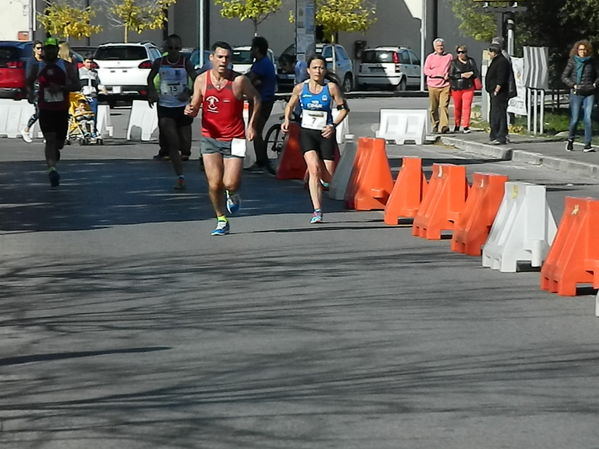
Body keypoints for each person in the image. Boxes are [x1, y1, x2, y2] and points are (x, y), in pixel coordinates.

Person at [185, 41, 261, 236]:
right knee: (213, 183)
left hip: (235, 137)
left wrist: (252, 125)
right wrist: (190, 110)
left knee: (230, 183)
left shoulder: (239, 81)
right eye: (220, 57)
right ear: (212, 58)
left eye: (227, 57)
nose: (223, 61)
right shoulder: (202, 80)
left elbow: (256, 98)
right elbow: (195, 105)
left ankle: (233, 194)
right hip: (210, 137)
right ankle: (221, 219)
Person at [281, 54, 349, 224]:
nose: (318, 71)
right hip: (307, 134)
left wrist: (332, 125)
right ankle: (317, 211)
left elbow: (344, 109)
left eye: (321, 68)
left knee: (327, 176)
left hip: (325, 134)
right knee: (313, 170)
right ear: (308, 70)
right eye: (315, 68)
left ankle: (323, 183)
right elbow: (290, 105)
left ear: (325, 70)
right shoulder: (300, 88)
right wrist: (287, 119)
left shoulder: (331, 87)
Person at [26, 37, 79, 187]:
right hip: (45, 108)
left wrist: (61, 88)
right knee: (49, 139)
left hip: (62, 109)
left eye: (51, 48)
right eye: (46, 48)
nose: (48, 51)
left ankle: (55, 152)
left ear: (57, 50)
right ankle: (52, 170)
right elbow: (29, 80)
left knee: (59, 143)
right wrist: (30, 93)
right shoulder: (38, 66)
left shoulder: (67, 66)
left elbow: (76, 85)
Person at [148, 34, 197, 190]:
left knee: (185, 146)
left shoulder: (185, 62)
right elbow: (150, 78)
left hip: (182, 107)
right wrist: (152, 92)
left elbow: (197, 80)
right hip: (165, 106)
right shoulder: (159, 62)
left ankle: (182, 157)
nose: (174, 51)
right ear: (165, 49)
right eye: (170, 48)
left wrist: (189, 92)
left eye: (177, 48)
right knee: (173, 143)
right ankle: (180, 176)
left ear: (180, 48)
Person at [246, 36, 277, 174]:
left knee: (256, 131)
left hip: (263, 101)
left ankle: (262, 161)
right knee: (256, 130)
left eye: (252, 48)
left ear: (257, 49)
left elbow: (249, 79)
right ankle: (261, 160)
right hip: (260, 100)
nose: (251, 51)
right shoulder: (260, 63)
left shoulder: (262, 64)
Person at [561, 39, 599, 153]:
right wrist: (573, 85)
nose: (582, 52)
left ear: (588, 50)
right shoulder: (573, 62)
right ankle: (570, 140)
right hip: (576, 93)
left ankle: (587, 144)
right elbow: (564, 76)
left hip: (589, 92)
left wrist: (595, 84)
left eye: (584, 50)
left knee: (588, 118)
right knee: (575, 119)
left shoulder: (592, 62)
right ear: (577, 50)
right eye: (580, 49)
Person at [423, 37, 453, 134]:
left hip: (445, 85)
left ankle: (444, 126)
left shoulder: (449, 56)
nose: (440, 47)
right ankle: (435, 124)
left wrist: (448, 74)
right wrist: (437, 73)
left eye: (441, 46)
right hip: (432, 85)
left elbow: (452, 68)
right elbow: (426, 70)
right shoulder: (430, 57)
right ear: (434, 47)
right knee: (433, 108)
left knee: (444, 106)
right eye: (438, 46)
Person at [448, 45, 479, 134]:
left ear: (466, 52)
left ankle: (466, 126)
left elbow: (476, 72)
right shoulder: (454, 62)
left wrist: (471, 73)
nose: (461, 54)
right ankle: (457, 124)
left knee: (467, 106)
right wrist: (461, 75)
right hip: (457, 87)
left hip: (468, 86)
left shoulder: (471, 61)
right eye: (459, 52)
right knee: (457, 107)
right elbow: (451, 75)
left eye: (463, 52)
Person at [485, 44, 511, 145]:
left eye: (490, 52)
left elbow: (501, 78)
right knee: (494, 114)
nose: (489, 54)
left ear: (494, 52)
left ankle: (500, 136)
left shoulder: (502, 62)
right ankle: (494, 134)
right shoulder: (496, 61)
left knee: (499, 114)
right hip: (493, 91)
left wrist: (497, 89)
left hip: (499, 93)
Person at [21, 40, 44, 143]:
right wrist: (30, 93)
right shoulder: (32, 61)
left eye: (42, 48)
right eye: (38, 48)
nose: (40, 50)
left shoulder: (45, 61)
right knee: (39, 112)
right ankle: (26, 130)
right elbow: (28, 78)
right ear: (34, 49)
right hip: (36, 90)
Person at [78, 55, 105, 132]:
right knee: (83, 114)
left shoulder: (94, 73)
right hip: (83, 96)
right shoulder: (79, 72)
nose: (89, 64)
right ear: (83, 62)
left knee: (93, 114)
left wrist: (103, 89)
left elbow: (98, 83)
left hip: (93, 96)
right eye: (87, 62)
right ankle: (84, 130)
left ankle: (93, 131)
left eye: (91, 62)